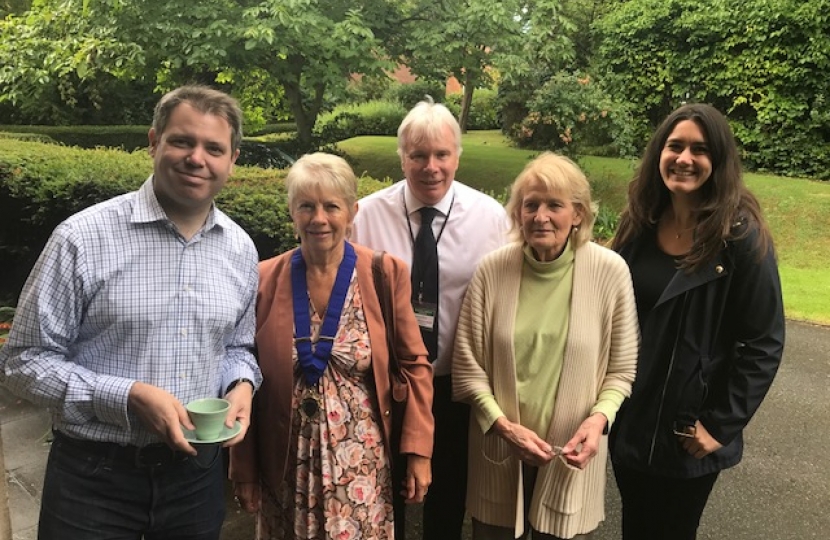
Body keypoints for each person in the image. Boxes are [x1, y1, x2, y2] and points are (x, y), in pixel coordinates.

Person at [0, 85, 262, 540]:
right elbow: (22, 362)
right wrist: (125, 396)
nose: (196, 158)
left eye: (214, 148)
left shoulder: (240, 250)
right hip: (94, 479)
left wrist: (242, 384)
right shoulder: (82, 238)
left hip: (197, 479)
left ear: (232, 159)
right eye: (182, 140)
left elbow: (237, 345)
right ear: (154, 141)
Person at [229, 152, 435, 539]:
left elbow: (415, 365)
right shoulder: (263, 280)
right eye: (306, 206)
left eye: (331, 206)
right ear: (292, 212)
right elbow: (244, 376)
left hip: (361, 468)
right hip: (285, 468)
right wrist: (244, 469)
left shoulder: (384, 274)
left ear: (352, 211)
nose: (319, 218)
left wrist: (419, 451)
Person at [609, 103, 785, 540]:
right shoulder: (640, 222)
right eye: (675, 146)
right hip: (632, 419)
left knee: (672, 531)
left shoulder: (740, 238)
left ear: (718, 162)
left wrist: (721, 425)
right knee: (636, 525)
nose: (684, 159)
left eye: (700, 150)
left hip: (688, 430)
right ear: (659, 153)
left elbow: (764, 342)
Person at [452, 152, 639, 540]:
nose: (541, 216)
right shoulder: (492, 270)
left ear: (579, 214)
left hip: (570, 456)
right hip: (499, 451)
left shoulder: (610, 272)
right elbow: (468, 368)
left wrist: (598, 420)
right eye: (530, 204)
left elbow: (621, 371)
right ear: (518, 213)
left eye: (555, 205)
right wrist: (504, 428)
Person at [350, 97, 510, 540]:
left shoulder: (490, 219)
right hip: (390, 382)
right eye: (418, 155)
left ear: (458, 155)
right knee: (387, 489)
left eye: (442, 154)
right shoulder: (365, 216)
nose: (431, 167)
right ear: (401, 157)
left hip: (456, 383)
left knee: (449, 492)